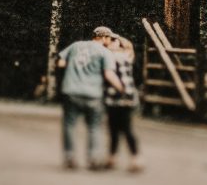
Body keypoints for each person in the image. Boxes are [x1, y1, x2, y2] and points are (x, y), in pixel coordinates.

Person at [57, 26, 123, 170]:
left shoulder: (76, 46)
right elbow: (108, 75)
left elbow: (60, 63)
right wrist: (121, 88)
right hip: (92, 94)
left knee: (69, 124)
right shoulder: (105, 53)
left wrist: (74, 65)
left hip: (71, 90)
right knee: (94, 126)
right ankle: (93, 158)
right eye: (109, 38)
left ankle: (69, 157)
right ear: (104, 37)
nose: (110, 41)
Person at [104, 35, 143, 173]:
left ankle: (136, 159)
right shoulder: (110, 56)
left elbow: (127, 46)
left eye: (114, 41)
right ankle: (112, 158)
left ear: (120, 45)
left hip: (123, 97)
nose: (110, 42)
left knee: (125, 129)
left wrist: (117, 39)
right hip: (113, 97)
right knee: (114, 129)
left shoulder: (124, 55)